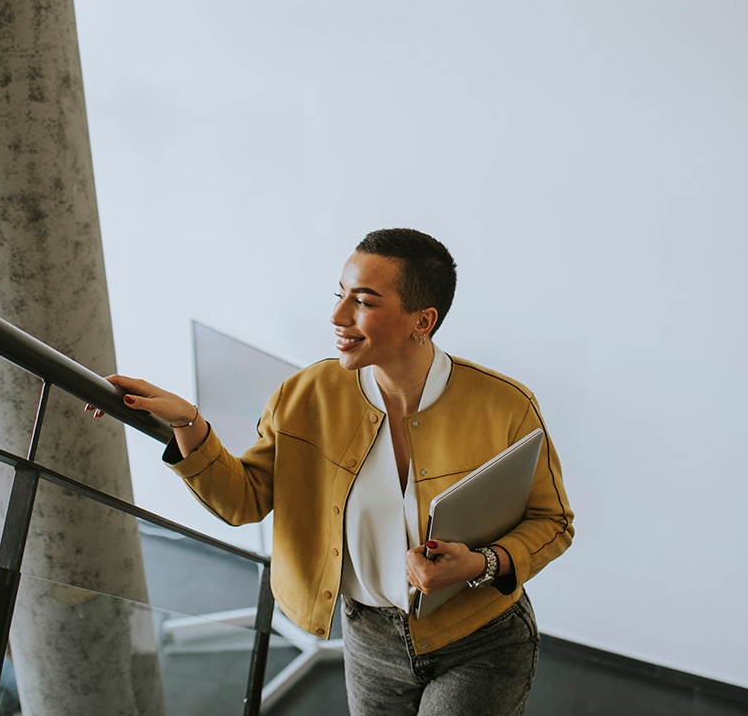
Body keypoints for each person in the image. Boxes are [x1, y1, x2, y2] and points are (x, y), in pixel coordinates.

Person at [89, 228, 574, 715]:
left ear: (422, 320)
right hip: (368, 641)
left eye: (363, 301)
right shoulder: (304, 395)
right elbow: (244, 502)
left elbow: (552, 521)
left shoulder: (505, 406)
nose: (338, 316)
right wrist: (188, 422)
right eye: (340, 296)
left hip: (481, 640)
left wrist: (481, 564)